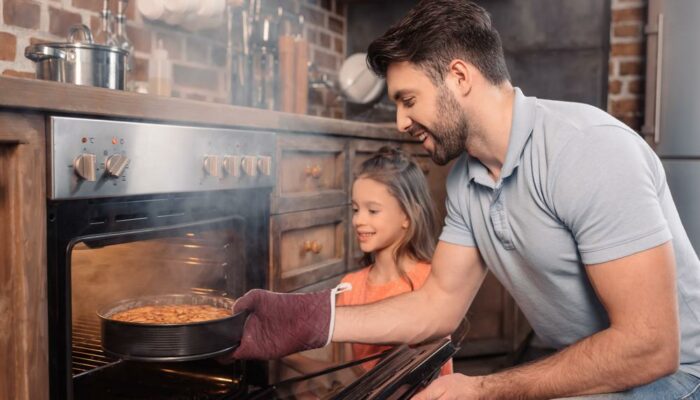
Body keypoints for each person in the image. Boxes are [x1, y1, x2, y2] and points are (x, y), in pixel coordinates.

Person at [230, 1, 700, 399]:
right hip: (598, 370)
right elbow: (437, 305)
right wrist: (310, 319)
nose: (400, 122)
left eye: (408, 99)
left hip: (677, 376)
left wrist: (482, 389)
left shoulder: (586, 149)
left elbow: (652, 346)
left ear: (458, 76)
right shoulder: (464, 180)